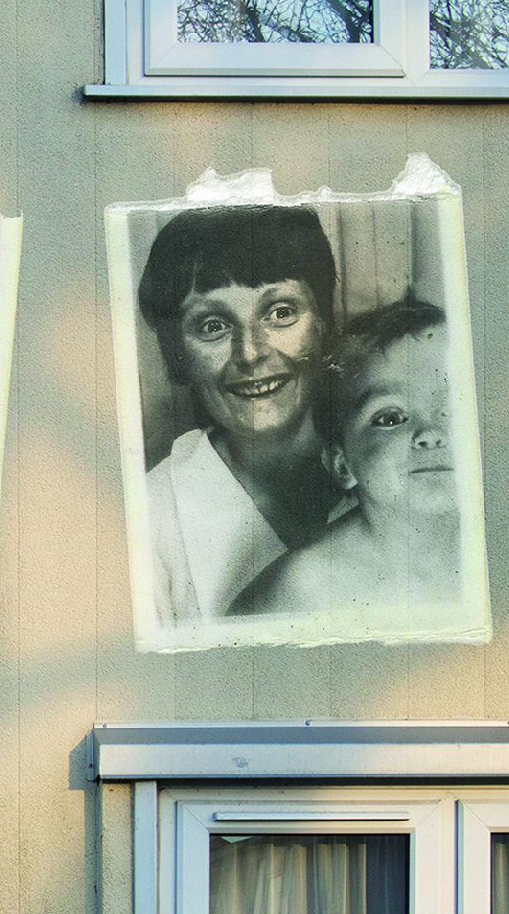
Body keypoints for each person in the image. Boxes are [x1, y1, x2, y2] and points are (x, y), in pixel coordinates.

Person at [135, 205, 343, 623]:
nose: (250, 353)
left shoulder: (397, 462)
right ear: (176, 356)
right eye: (213, 325)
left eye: (281, 313)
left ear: (325, 326)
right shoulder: (144, 522)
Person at [233, 296, 459, 617]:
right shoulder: (303, 588)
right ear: (342, 464)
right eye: (390, 417)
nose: (431, 432)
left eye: (454, 409)